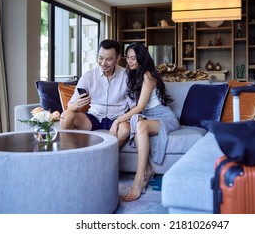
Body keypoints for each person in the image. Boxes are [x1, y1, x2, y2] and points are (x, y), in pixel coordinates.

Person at [110, 42, 180, 202]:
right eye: (127, 58)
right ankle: (147, 170)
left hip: (164, 117)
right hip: (148, 115)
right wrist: (123, 117)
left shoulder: (148, 75)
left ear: (141, 58)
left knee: (139, 123)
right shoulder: (134, 75)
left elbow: (141, 106)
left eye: (133, 58)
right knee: (137, 120)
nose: (129, 61)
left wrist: (118, 120)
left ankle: (139, 179)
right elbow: (137, 108)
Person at [60, 39, 133, 147]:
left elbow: (134, 106)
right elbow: (70, 106)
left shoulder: (127, 76)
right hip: (93, 117)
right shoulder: (88, 76)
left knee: (126, 129)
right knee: (66, 116)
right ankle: (72, 153)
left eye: (109, 59)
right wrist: (77, 105)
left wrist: (121, 119)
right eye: (101, 58)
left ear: (118, 58)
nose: (103, 63)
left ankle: (107, 156)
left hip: (117, 118)